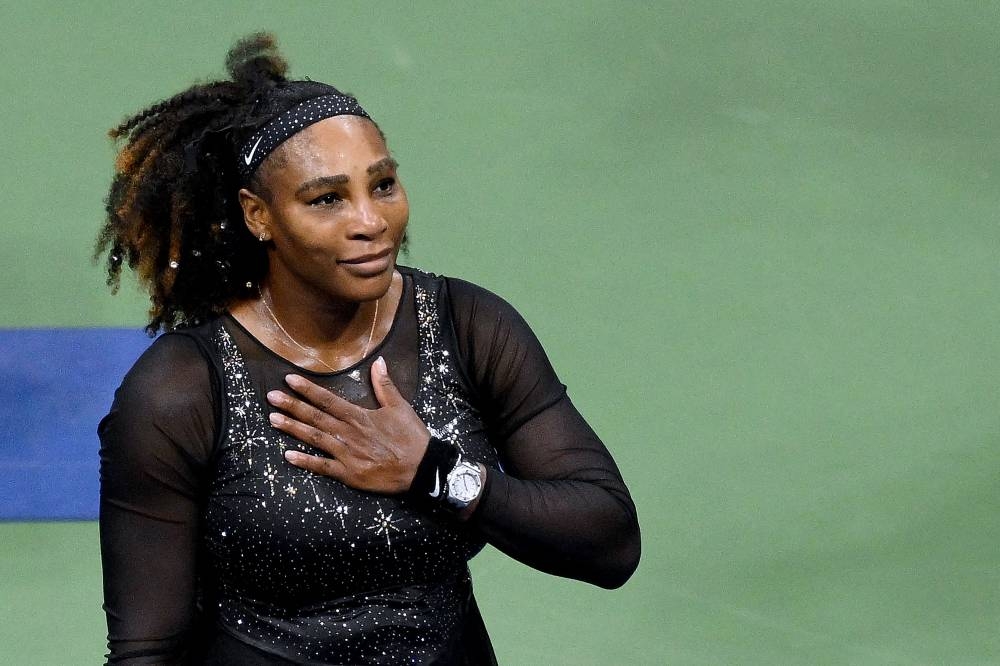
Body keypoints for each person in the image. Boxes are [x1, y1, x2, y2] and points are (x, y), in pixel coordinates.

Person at [97, 33, 640, 665]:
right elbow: (146, 651)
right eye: (327, 198)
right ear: (259, 216)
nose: (370, 220)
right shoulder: (181, 390)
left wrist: (432, 472)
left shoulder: (468, 326)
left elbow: (610, 540)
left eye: (382, 185)